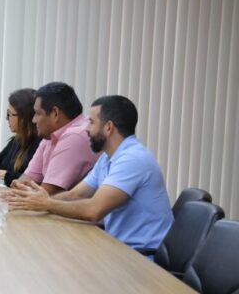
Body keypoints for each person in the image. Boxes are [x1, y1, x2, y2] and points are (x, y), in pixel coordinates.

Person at [9, 95, 173, 251]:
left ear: (108, 127)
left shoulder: (133, 159)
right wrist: (35, 203)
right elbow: (76, 195)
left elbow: (94, 210)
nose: (86, 129)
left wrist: (47, 204)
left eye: (91, 123)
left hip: (142, 257)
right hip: (118, 247)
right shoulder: (108, 157)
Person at [17, 82, 99, 194]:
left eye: (37, 113)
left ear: (55, 113)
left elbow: (46, 195)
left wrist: (23, 192)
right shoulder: (49, 135)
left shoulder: (76, 136)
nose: (33, 120)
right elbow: (25, 181)